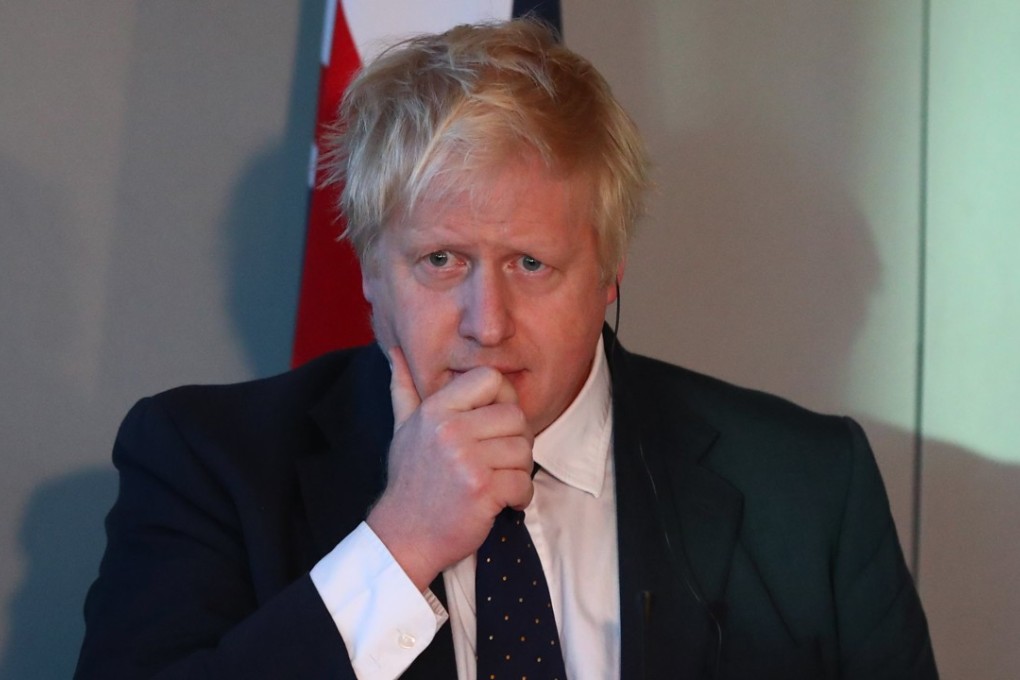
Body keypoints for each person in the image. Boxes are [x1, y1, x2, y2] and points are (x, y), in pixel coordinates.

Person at [76, 19, 937, 680]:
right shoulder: (205, 461)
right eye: (440, 261)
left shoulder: (808, 488)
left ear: (608, 273)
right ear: (372, 270)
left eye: (532, 263)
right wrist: (396, 547)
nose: (486, 321)